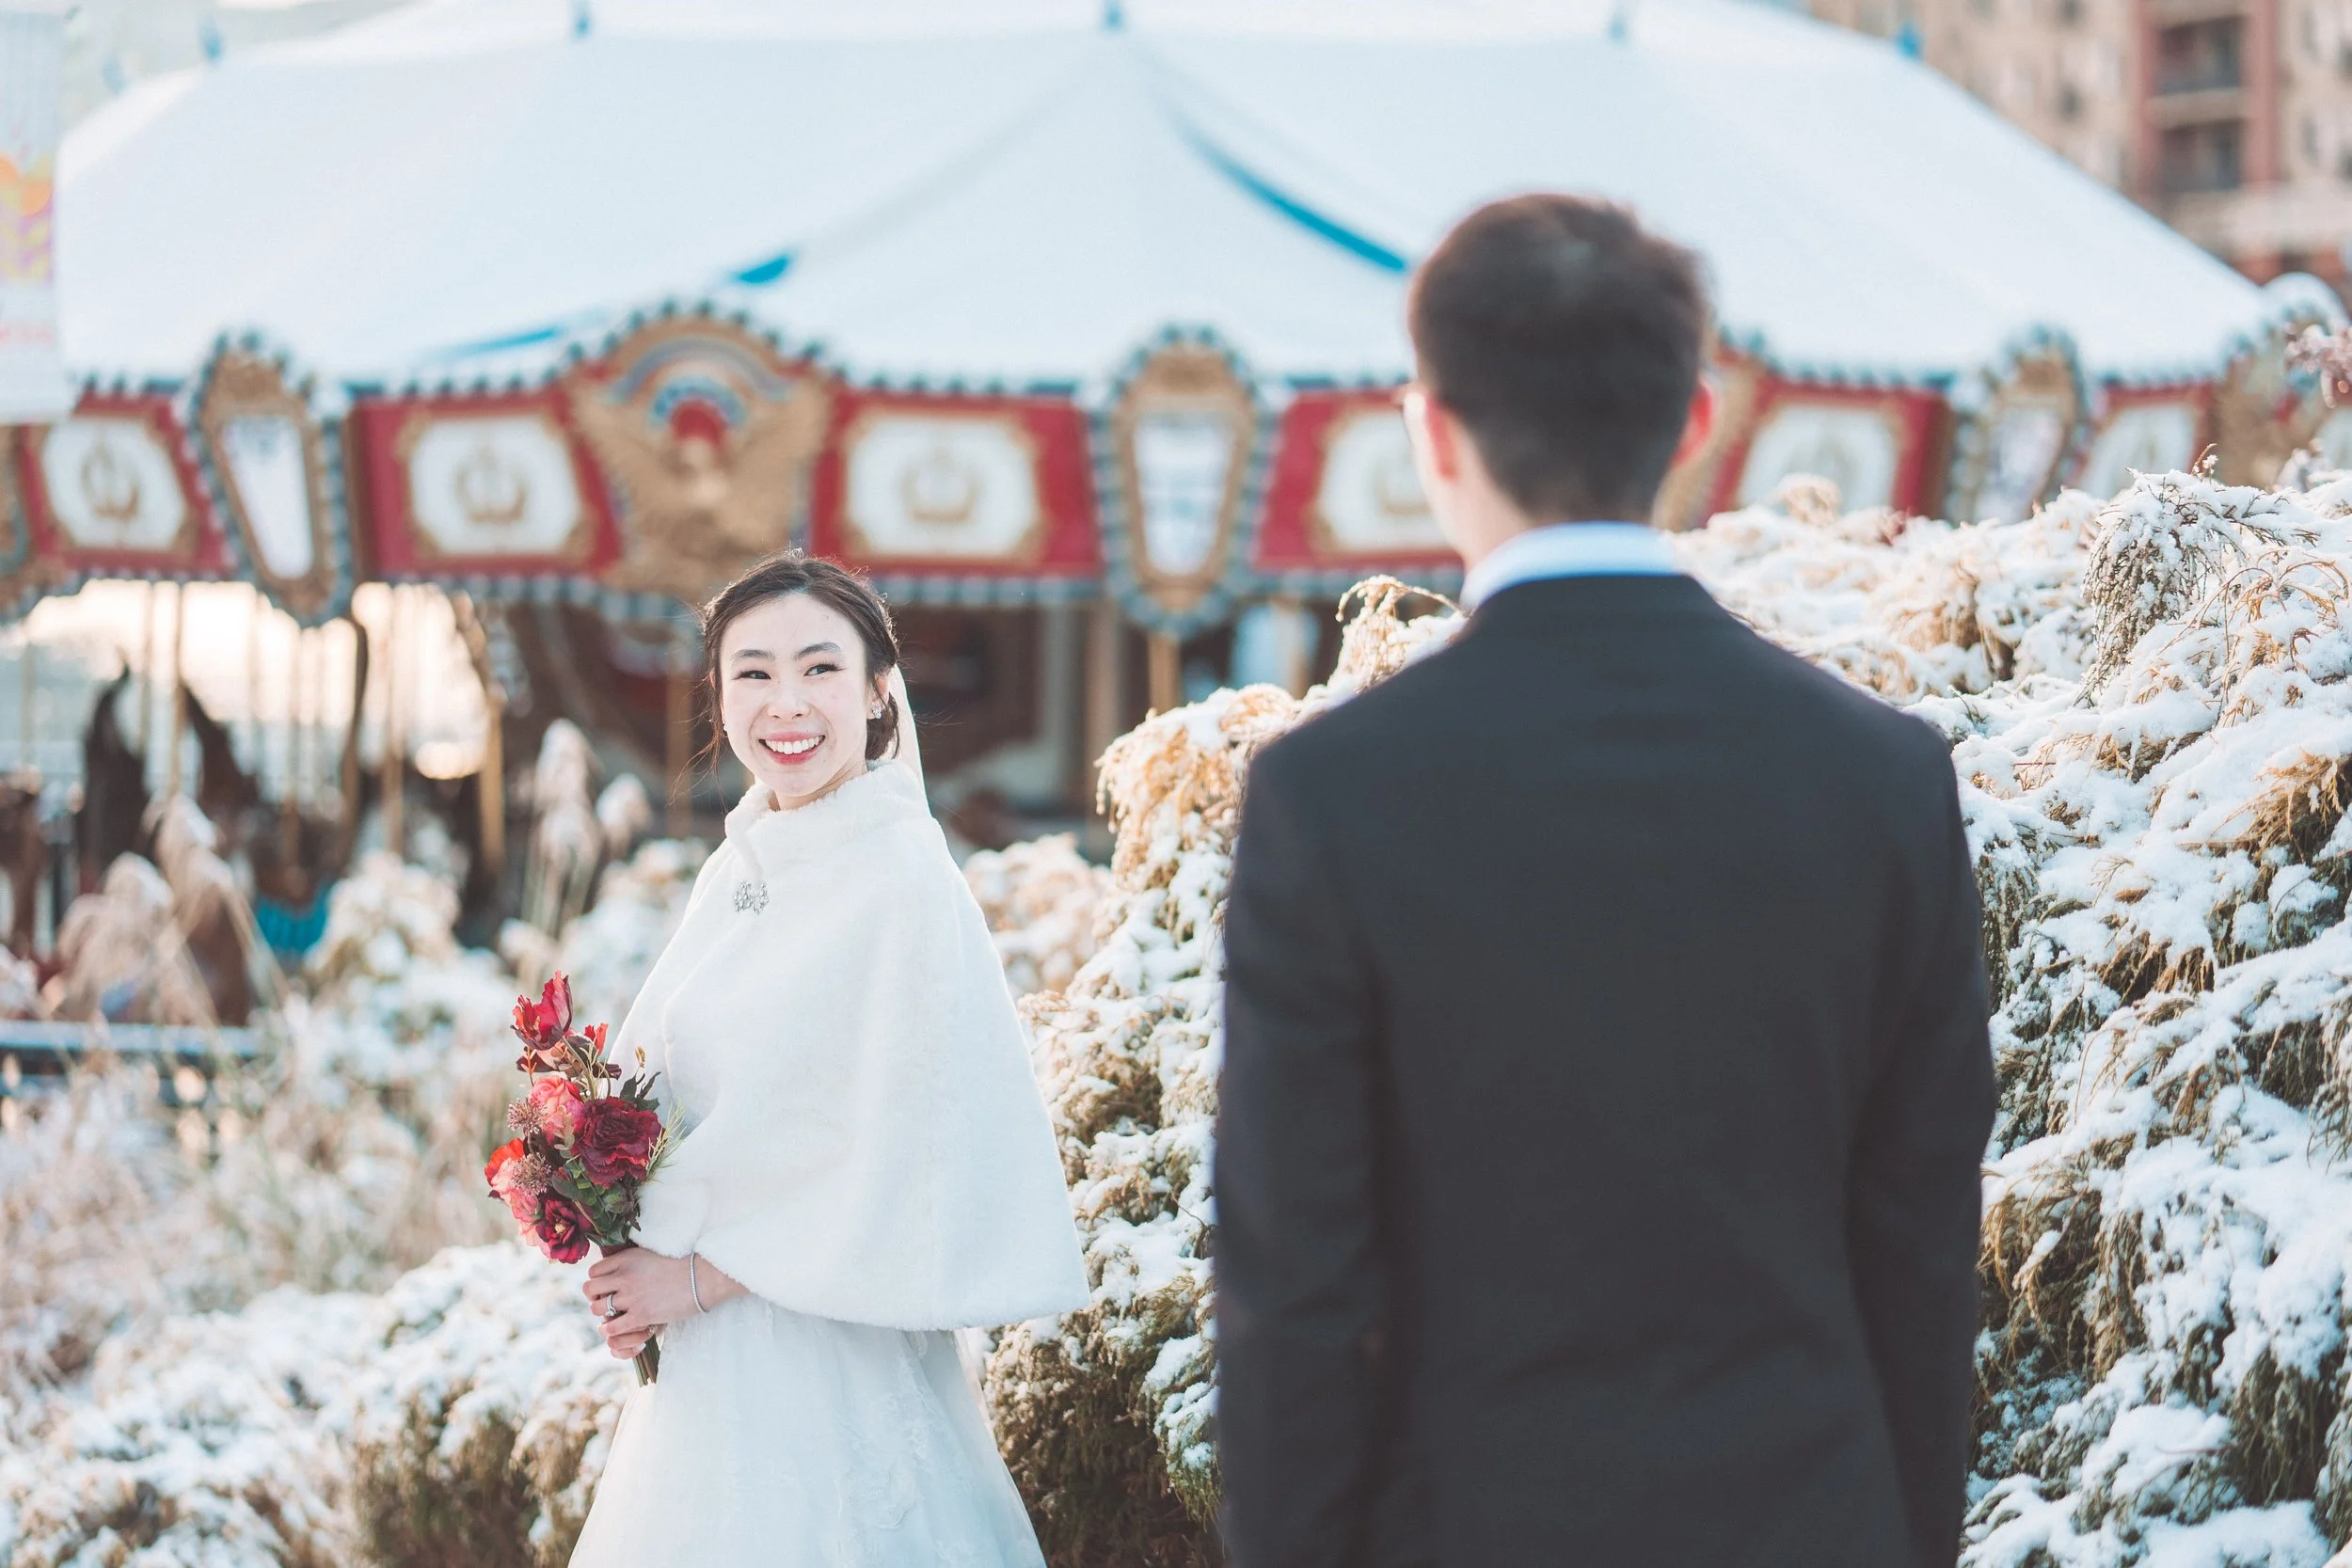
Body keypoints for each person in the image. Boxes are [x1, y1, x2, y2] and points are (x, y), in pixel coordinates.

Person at [1216, 195, 1996, 1567]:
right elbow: (1922, 1257)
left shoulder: (1333, 796)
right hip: (1810, 1518)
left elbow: (1297, 1294)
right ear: (1698, 425)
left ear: (1429, 433)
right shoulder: (1884, 775)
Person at [567, 553, 1087, 1567]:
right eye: (752, 672)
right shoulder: (745, 864)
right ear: (719, 695)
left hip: (827, 1359)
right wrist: (610, 1223)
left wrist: (696, 1280)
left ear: (879, 691)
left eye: (818, 667)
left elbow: (897, 1148)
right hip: (715, 1371)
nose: (785, 702)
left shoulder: (899, 879)